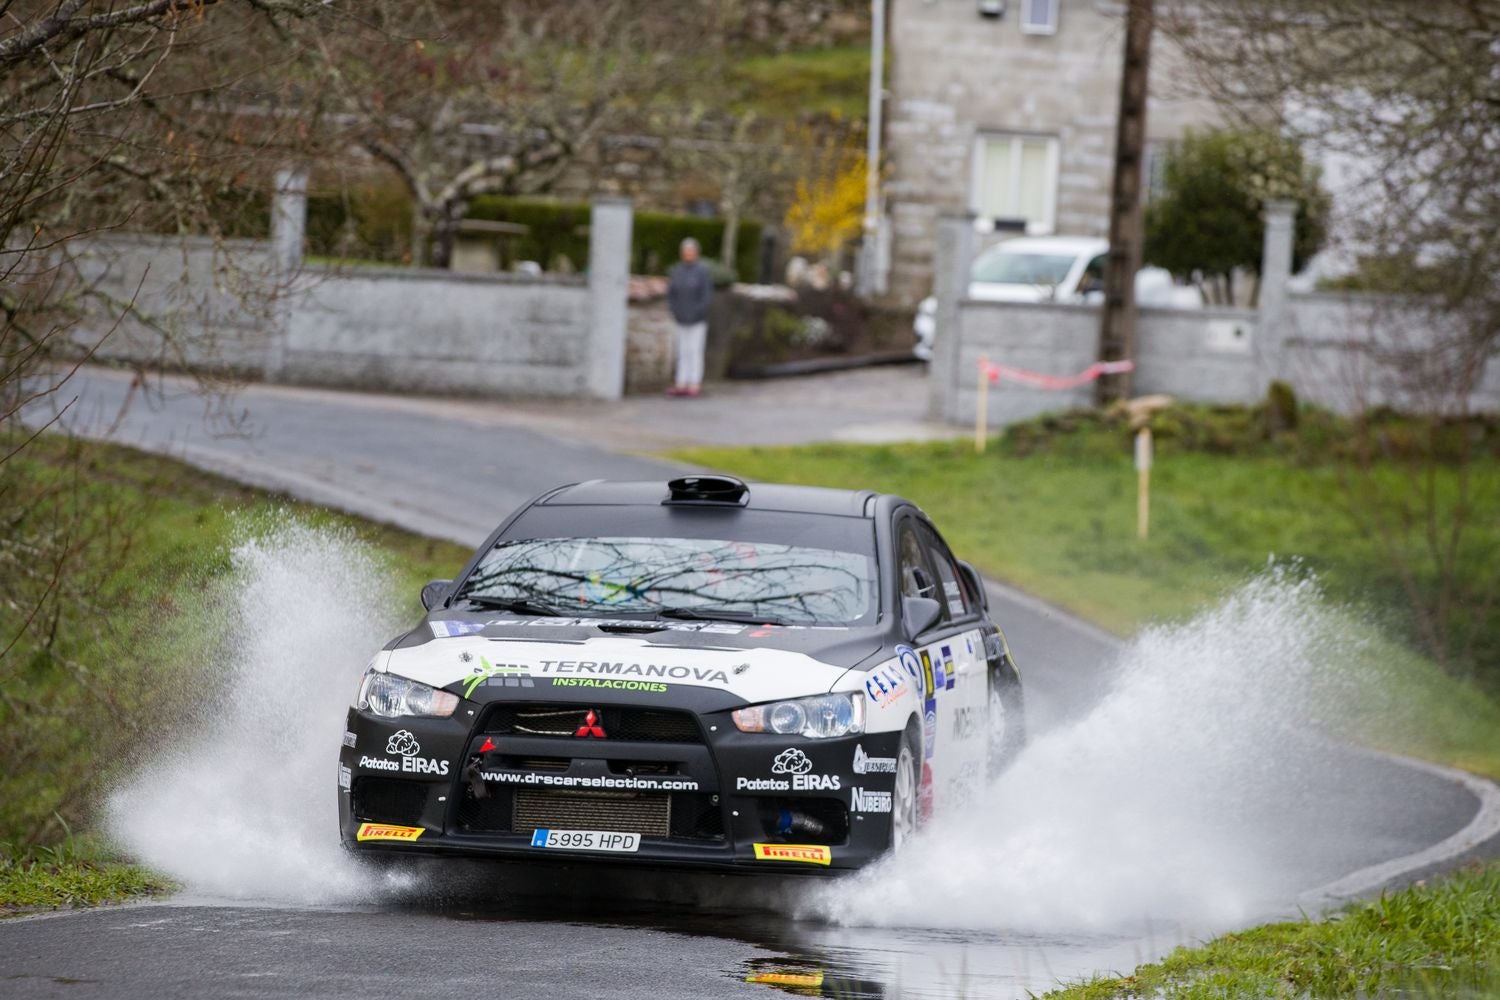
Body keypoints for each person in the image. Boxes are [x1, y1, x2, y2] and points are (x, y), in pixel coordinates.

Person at [666, 237, 713, 397]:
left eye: (691, 251)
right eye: (685, 251)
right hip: (680, 319)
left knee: (695, 351)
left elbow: (706, 296)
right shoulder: (678, 271)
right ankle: (681, 382)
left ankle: (694, 383)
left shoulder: (702, 271)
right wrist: (675, 311)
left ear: (696, 253)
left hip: (697, 320)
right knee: (682, 351)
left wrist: (698, 313)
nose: (688, 254)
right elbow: (671, 294)